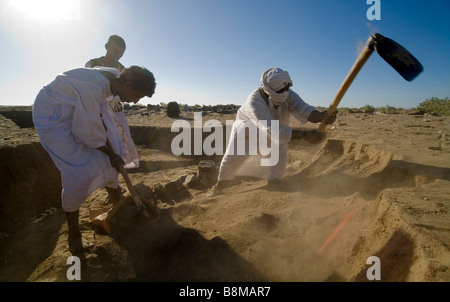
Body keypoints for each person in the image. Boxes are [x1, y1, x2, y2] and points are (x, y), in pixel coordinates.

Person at [32, 65, 156, 254]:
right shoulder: (94, 89)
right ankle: (74, 233)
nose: (135, 101)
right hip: (53, 114)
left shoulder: (115, 78)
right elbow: (87, 131)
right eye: (137, 96)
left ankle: (118, 206)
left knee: (114, 146)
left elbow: (99, 123)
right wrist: (110, 153)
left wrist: (112, 150)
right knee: (80, 170)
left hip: (79, 107)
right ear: (129, 85)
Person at [208, 67, 337, 196]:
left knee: (279, 150)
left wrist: (321, 116)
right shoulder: (254, 102)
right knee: (235, 155)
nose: (285, 92)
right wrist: (306, 135)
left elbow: (304, 109)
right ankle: (221, 184)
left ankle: (274, 180)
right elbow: (273, 130)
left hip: (274, 127)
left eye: (287, 88)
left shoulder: (289, 94)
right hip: (247, 128)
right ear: (268, 89)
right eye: (281, 90)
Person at [85, 34, 138, 205]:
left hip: (116, 111)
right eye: (115, 50)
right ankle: (112, 190)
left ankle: (116, 187)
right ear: (107, 46)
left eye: (121, 53)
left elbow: (123, 92)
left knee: (119, 147)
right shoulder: (92, 64)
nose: (117, 55)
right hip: (97, 109)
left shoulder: (122, 69)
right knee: (105, 149)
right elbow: (88, 88)